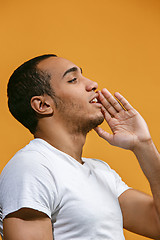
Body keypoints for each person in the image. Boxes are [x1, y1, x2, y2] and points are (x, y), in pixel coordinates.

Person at [0, 54, 160, 240]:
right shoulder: (32, 167)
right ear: (43, 105)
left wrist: (144, 145)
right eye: (73, 79)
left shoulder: (101, 172)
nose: (92, 84)